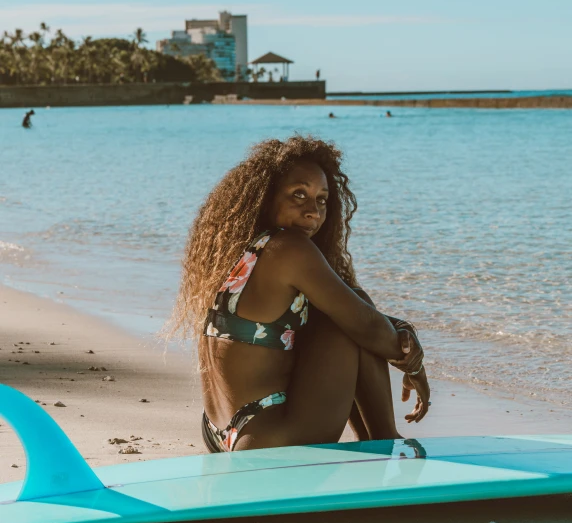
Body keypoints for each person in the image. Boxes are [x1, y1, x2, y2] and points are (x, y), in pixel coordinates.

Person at [171, 136, 430, 453]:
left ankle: (379, 441)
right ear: (266, 198)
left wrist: (399, 327)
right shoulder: (289, 248)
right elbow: (369, 328)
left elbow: (356, 314)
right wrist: (414, 365)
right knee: (353, 318)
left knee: (349, 305)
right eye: (299, 195)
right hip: (268, 440)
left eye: (322, 200)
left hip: (219, 431)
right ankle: (385, 440)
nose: (313, 211)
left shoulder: (239, 254)